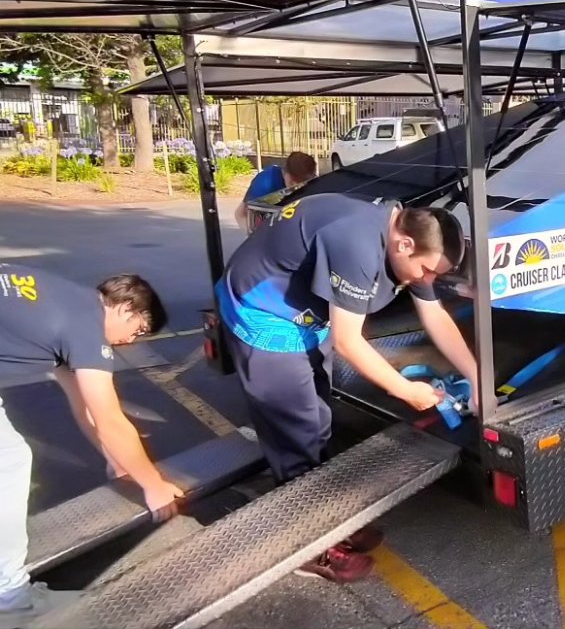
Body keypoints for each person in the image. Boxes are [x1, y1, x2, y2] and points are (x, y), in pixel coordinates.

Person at [215, 192, 478, 582]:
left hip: (300, 315)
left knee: (317, 421)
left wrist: (475, 377)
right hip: (263, 317)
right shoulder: (356, 243)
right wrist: (408, 392)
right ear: (404, 244)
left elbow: (434, 314)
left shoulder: (407, 235)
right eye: (427, 271)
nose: (428, 281)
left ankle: (326, 519)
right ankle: (307, 548)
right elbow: (349, 342)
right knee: (296, 432)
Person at [0, 267, 183, 628]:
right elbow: (111, 418)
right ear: (125, 308)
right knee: (9, 461)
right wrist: (153, 485)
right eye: (140, 330)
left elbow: (85, 406)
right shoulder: (86, 323)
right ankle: (12, 600)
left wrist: (116, 460)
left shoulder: (68, 301)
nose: (132, 341)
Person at [234, 151, 318, 231]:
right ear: (286, 173)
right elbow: (241, 214)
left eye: (302, 183)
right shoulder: (266, 181)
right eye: (292, 182)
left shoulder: (313, 183)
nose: (296, 187)